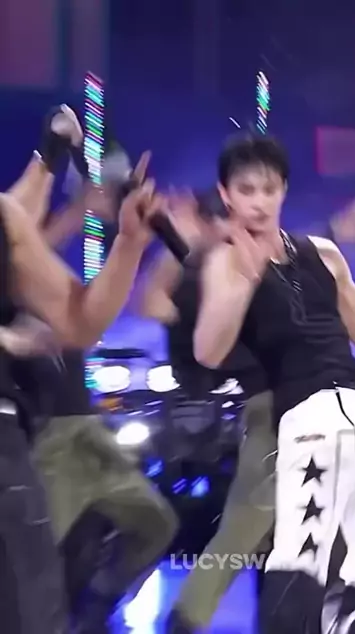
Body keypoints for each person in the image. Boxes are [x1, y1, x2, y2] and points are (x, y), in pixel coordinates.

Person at [193, 134, 355, 634]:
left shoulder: (324, 254)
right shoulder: (226, 262)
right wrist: (246, 281)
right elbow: (208, 350)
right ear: (226, 195)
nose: (258, 201)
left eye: (268, 189)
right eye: (246, 190)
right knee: (300, 569)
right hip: (306, 421)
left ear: (284, 190)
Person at [0, 104, 156, 634]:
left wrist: (130, 242)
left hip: (10, 445)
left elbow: (80, 320)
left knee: (32, 612)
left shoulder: (8, 220)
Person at [141, 189, 277, 633]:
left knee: (272, 530)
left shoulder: (248, 275)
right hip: (252, 411)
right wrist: (176, 245)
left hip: (271, 407)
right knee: (249, 523)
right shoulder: (193, 277)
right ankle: (187, 617)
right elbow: (150, 303)